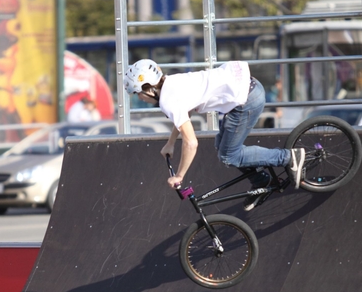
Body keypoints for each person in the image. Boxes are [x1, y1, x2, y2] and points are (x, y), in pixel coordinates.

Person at [123, 59, 305, 210]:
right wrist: (170, 142)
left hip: (246, 100)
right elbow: (184, 115)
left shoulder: (168, 100)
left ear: (149, 88)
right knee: (222, 146)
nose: (139, 98)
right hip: (247, 86)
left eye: (137, 93)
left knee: (229, 155)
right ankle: (261, 181)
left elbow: (192, 143)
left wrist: (179, 176)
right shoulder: (171, 82)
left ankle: (288, 158)